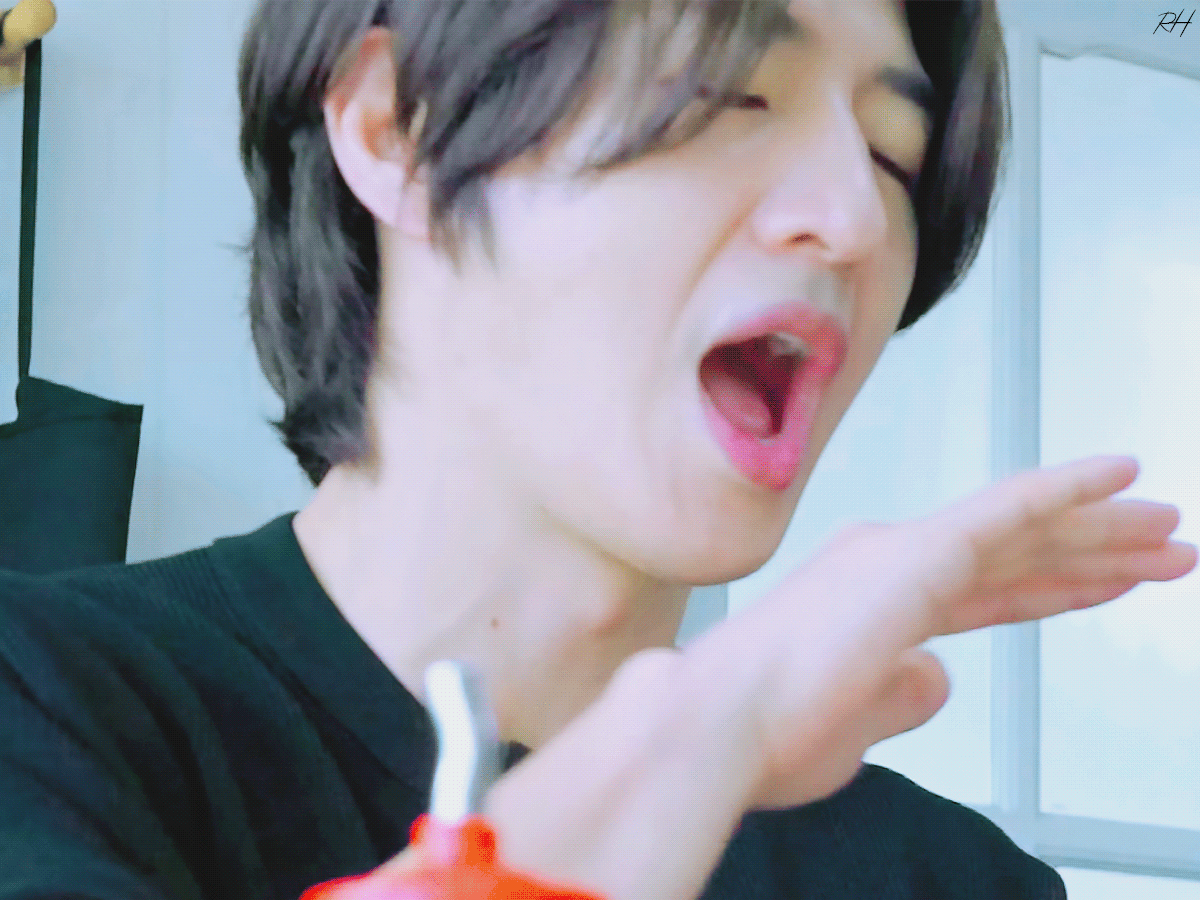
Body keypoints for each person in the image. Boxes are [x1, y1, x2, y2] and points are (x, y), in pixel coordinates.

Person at [0, 1, 1195, 899]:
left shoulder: (952, 881)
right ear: (396, 127)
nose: (852, 219)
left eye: (893, 155)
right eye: (735, 95)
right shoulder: (43, 709)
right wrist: (686, 751)